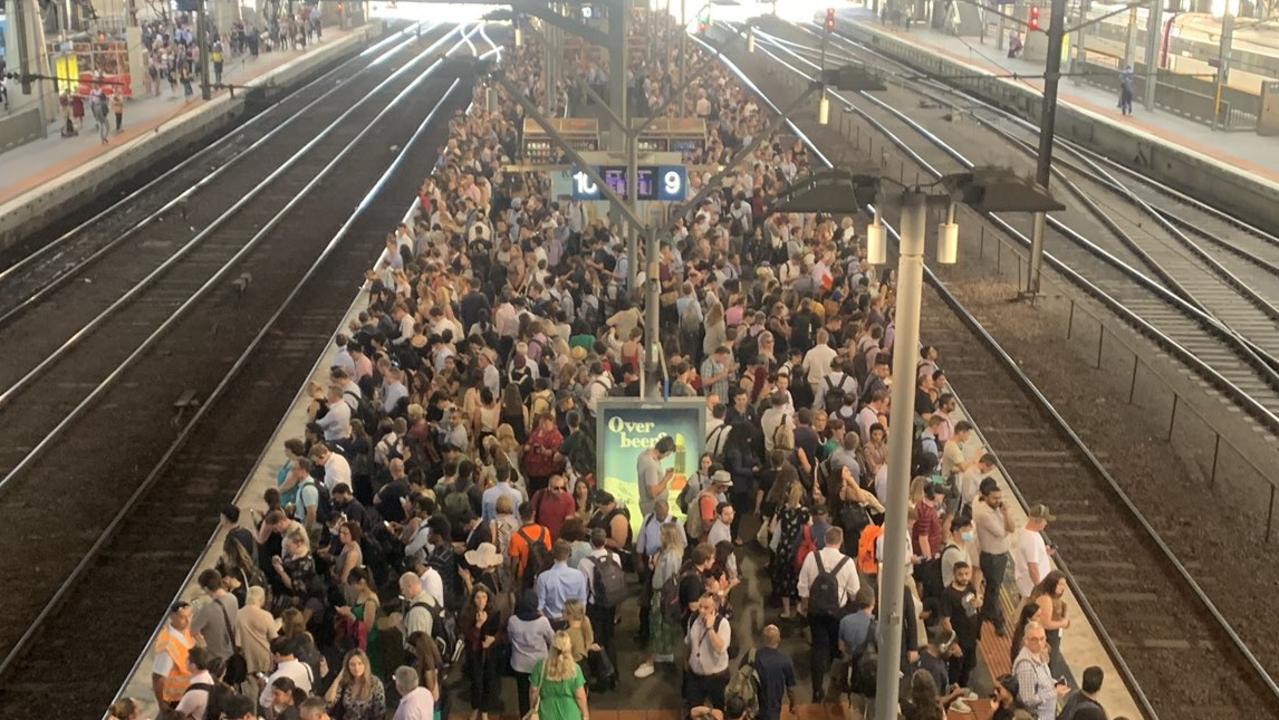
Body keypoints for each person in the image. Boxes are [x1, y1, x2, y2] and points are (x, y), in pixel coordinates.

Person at [796, 526, 858, 702]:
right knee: (835, 647)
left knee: (817, 647)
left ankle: (816, 690)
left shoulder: (811, 557)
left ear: (824, 539)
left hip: (815, 611)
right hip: (837, 613)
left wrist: (806, 607)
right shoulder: (847, 562)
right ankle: (833, 685)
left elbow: (802, 586)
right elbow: (854, 592)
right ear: (840, 541)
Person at [973, 476, 1015, 635]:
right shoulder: (984, 514)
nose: (998, 501)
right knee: (994, 591)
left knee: (992, 589)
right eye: (995, 498)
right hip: (993, 557)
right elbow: (1006, 530)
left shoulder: (979, 501)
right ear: (985, 496)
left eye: (1000, 497)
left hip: (995, 555)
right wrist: (1005, 513)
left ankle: (984, 616)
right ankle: (996, 621)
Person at [509, 590, 555, 718]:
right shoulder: (542, 622)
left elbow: (509, 637)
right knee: (540, 693)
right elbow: (552, 639)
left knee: (523, 694)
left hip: (520, 664)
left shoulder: (513, 621)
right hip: (539, 664)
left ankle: (525, 716)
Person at [1012, 622, 1070, 720]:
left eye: (1042, 639)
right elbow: (1028, 700)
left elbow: (1042, 681)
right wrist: (1054, 692)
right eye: (1034, 639)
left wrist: (1055, 684)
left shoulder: (1038, 655)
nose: (1039, 643)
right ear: (1026, 641)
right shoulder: (1026, 667)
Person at [685, 593, 732, 712]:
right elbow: (689, 642)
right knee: (694, 709)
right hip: (695, 675)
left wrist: (710, 629)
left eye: (706, 608)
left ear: (715, 608)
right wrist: (686, 661)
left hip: (716, 677)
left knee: (719, 709)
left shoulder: (723, 624)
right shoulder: (693, 618)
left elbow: (720, 648)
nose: (701, 610)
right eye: (700, 606)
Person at [530, 630, 590, 720]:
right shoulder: (575, 669)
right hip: (570, 714)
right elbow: (580, 696)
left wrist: (533, 708)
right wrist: (585, 714)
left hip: (547, 713)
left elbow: (533, 691)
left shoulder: (540, 667)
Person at [152, 601, 196, 711]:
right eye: (182, 617)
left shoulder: (184, 631)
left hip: (188, 693)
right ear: (172, 617)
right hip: (176, 700)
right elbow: (158, 678)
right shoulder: (166, 646)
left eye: (190, 615)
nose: (188, 620)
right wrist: (162, 704)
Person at [323, 648, 387, 720]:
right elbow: (328, 701)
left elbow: (380, 713)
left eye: (360, 664)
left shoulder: (375, 683)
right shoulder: (346, 682)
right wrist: (338, 679)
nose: (356, 668)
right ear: (347, 666)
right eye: (352, 664)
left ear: (365, 664)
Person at [753, 625, 797, 720]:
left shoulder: (754, 655)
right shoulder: (785, 661)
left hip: (754, 705)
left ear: (763, 639)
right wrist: (792, 704)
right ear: (779, 639)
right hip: (773, 707)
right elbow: (790, 689)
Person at [1013, 504, 1055, 598]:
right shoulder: (1031, 539)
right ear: (1038, 520)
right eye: (1045, 520)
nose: (1046, 523)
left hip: (1027, 584)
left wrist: (1044, 552)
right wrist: (1040, 590)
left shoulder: (1026, 530)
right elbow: (1033, 568)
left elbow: (1030, 554)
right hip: (1031, 588)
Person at [637, 436, 677, 517]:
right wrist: (666, 478)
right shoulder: (651, 465)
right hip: (654, 509)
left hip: (654, 508)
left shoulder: (644, 455)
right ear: (666, 451)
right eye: (668, 454)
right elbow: (653, 493)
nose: (668, 456)